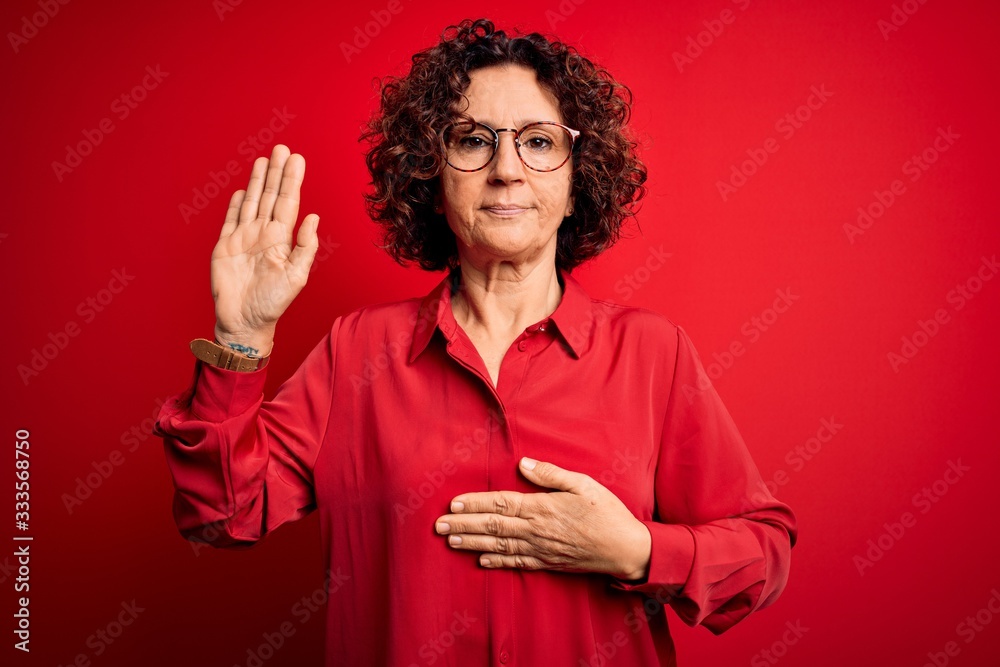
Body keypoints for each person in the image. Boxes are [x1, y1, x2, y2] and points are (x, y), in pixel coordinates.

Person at [154, 18, 796, 666]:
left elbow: (762, 556)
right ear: (432, 179)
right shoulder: (356, 350)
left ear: (579, 183)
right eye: (472, 141)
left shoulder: (653, 354)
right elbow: (222, 516)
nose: (506, 170)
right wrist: (240, 339)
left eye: (539, 142)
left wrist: (638, 549)